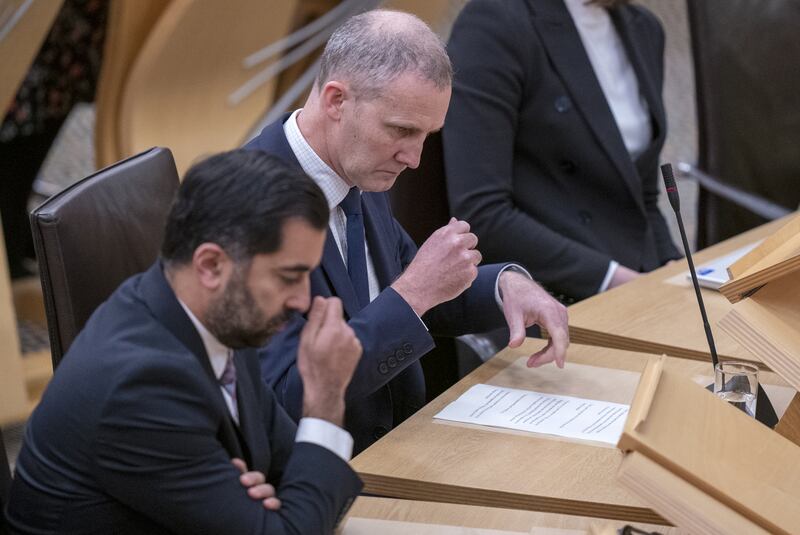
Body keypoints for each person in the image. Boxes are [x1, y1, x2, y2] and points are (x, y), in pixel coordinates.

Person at [246, 9, 570, 454]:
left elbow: (418, 298)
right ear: (337, 101)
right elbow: (287, 397)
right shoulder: (245, 206)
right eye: (401, 131)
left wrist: (503, 285)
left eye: (427, 135)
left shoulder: (356, 165)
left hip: (405, 440)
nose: (414, 159)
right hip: (323, 469)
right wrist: (414, 292)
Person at [6, 150, 363, 534]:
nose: (303, 300)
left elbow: (293, 472)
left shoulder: (222, 315)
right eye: (289, 277)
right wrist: (325, 399)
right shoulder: (141, 388)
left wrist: (266, 507)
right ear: (210, 265)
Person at [442, 0, 681, 303]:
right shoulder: (495, 23)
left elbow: (642, 198)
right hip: (547, 294)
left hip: (636, 278)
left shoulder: (644, 28)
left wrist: (672, 264)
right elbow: (483, 214)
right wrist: (615, 279)